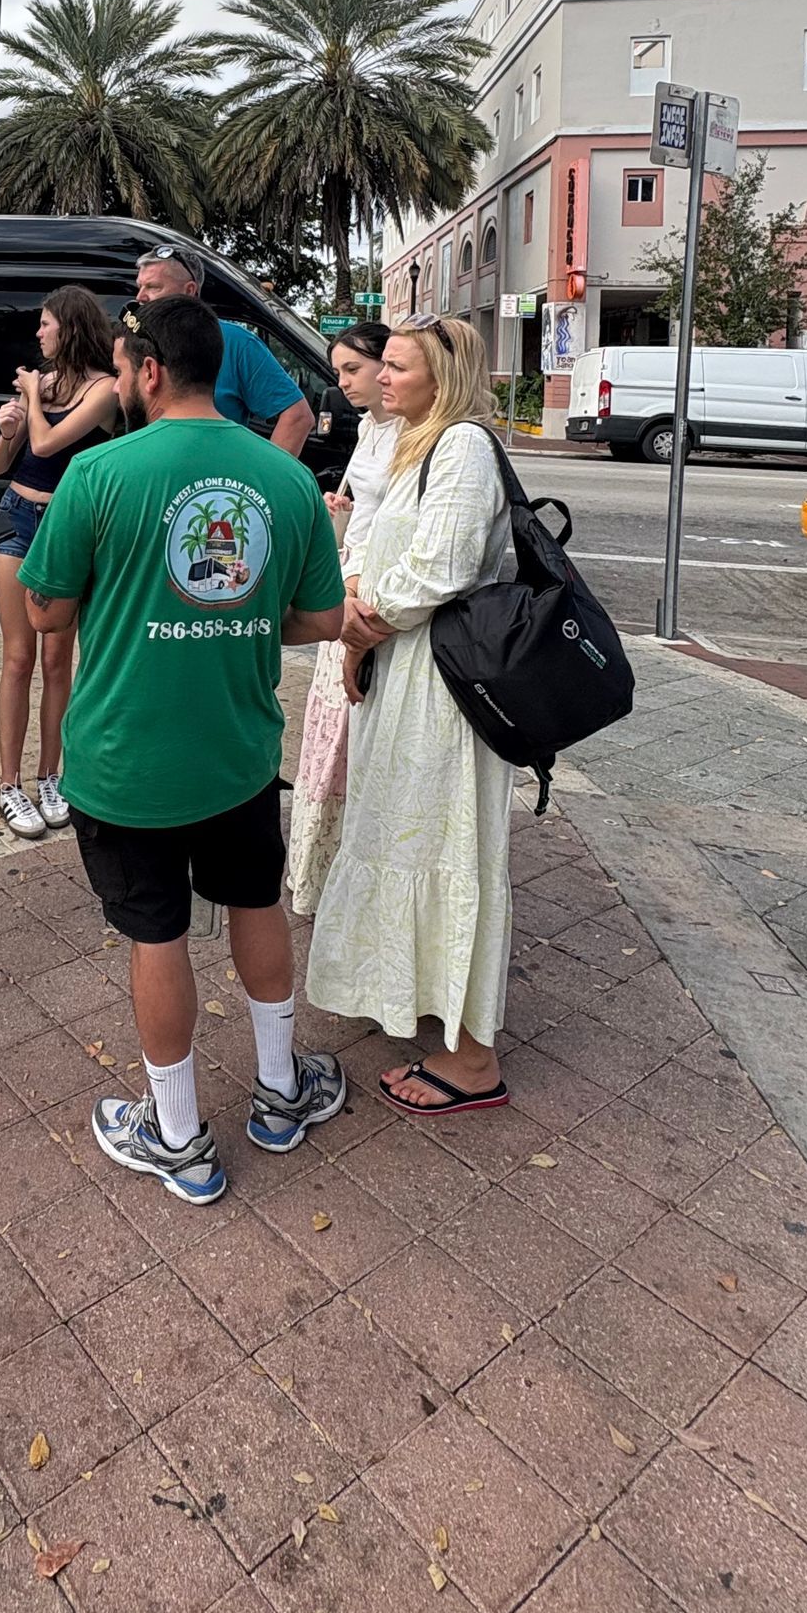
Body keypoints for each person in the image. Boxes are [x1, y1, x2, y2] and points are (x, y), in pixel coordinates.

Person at [21, 296, 347, 1204]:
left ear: (150, 372)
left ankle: (179, 1140)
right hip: (238, 750)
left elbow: (46, 607)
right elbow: (323, 618)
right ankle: (281, 1092)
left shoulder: (99, 472)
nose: (120, 381)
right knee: (255, 904)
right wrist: (236, 617)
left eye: (124, 368)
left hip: (125, 759)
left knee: (155, 933)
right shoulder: (283, 477)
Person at [305, 315, 518, 1116]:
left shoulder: (461, 444)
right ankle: (439, 1011)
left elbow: (441, 567)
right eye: (382, 366)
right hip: (411, 676)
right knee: (413, 834)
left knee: (447, 844)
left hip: (444, 689)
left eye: (397, 367)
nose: (380, 378)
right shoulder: (417, 442)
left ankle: (472, 1062)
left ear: (443, 377)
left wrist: (360, 621)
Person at [0, 285, 121, 840]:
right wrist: (6, 430)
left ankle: (50, 775)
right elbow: (5, 461)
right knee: (18, 659)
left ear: (69, 326)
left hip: (67, 528)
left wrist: (33, 401)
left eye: (45, 324)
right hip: (17, 517)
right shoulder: (42, 384)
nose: (38, 334)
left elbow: (48, 446)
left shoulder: (104, 389)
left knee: (58, 660)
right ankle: (10, 783)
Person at [287, 322, 400, 914]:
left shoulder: (412, 432)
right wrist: (344, 511)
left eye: (351, 369)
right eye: (339, 371)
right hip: (349, 583)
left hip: (373, 596)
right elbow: (369, 509)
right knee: (334, 727)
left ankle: (352, 870)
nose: (342, 382)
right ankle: (324, 869)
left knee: (356, 728)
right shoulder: (368, 429)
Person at [133, 246, 315, 455]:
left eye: (153, 287)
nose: (140, 297)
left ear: (190, 290)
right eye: (139, 286)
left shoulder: (235, 342)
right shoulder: (131, 340)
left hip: (209, 483)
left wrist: (260, 481)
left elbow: (298, 416)